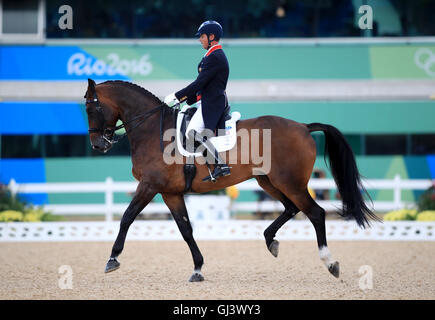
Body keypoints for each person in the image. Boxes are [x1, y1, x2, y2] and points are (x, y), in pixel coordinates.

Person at [164, 20, 231, 181]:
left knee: (191, 133)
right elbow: (202, 86)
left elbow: (199, 83)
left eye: (202, 36)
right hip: (206, 100)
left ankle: (220, 165)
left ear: (212, 36)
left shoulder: (215, 56)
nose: (200, 39)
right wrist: (187, 100)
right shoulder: (210, 56)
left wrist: (176, 96)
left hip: (212, 103)